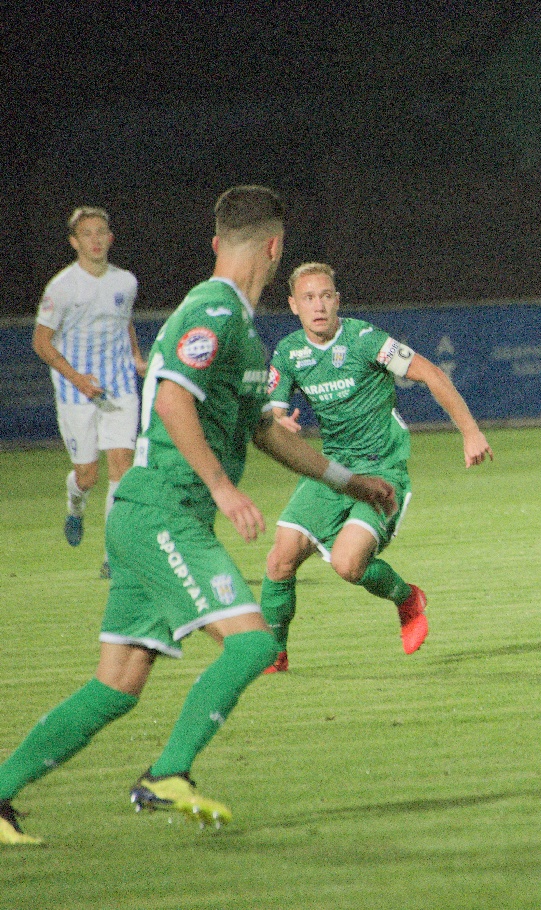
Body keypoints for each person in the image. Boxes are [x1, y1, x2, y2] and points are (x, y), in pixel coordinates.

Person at [0, 186, 396, 846]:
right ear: (276, 248)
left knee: (118, 686)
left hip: (147, 515)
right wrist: (222, 487)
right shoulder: (213, 311)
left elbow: (265, 432)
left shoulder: (240, 330)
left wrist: (348, 480)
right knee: (254, 642)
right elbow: (172, 399)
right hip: (164, 511)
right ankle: (167, 773)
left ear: (218, 242)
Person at [259, 261, 492, 672]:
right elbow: (274, 414)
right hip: (332, 470)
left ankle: (407, 598)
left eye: (326, 296)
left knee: (348, 565)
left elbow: (431, 373)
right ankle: (272, 654)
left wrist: (470, 432)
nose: (319, 306)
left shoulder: (366, 340)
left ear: (337, 300)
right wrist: (282, 423)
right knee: (280, 559)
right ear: (293, 305)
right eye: (309, 298)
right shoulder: (289, 352)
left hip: (381, 468)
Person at [32, 207, 147, 577]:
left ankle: (114, 556)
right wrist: (77, 378)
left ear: (110, 238)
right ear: (74, 242)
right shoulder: (62, 287)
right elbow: (41, 342)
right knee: (87, 476)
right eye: (87, 234)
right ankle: (75, 503)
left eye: (101, 232)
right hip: (75, 391)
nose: (95, 240)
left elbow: (124, 321)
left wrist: (135, 357)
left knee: (122, 467)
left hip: (120, 386)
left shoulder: (125, 281)